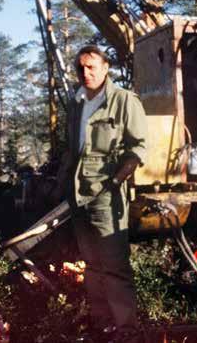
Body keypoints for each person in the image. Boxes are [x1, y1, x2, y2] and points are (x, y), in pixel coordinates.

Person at [58, 45, 147, 341]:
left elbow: (138, 148)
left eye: (92, 66)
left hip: (106, 195)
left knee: (114, 266)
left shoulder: (123, 101)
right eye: (80, 67)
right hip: (78, 194)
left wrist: (117, 180)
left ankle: (126, 330)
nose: (86, 73)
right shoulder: (76, 101)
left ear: (106, 67)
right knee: (93, 265)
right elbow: (72, 148)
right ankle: (101, 323)